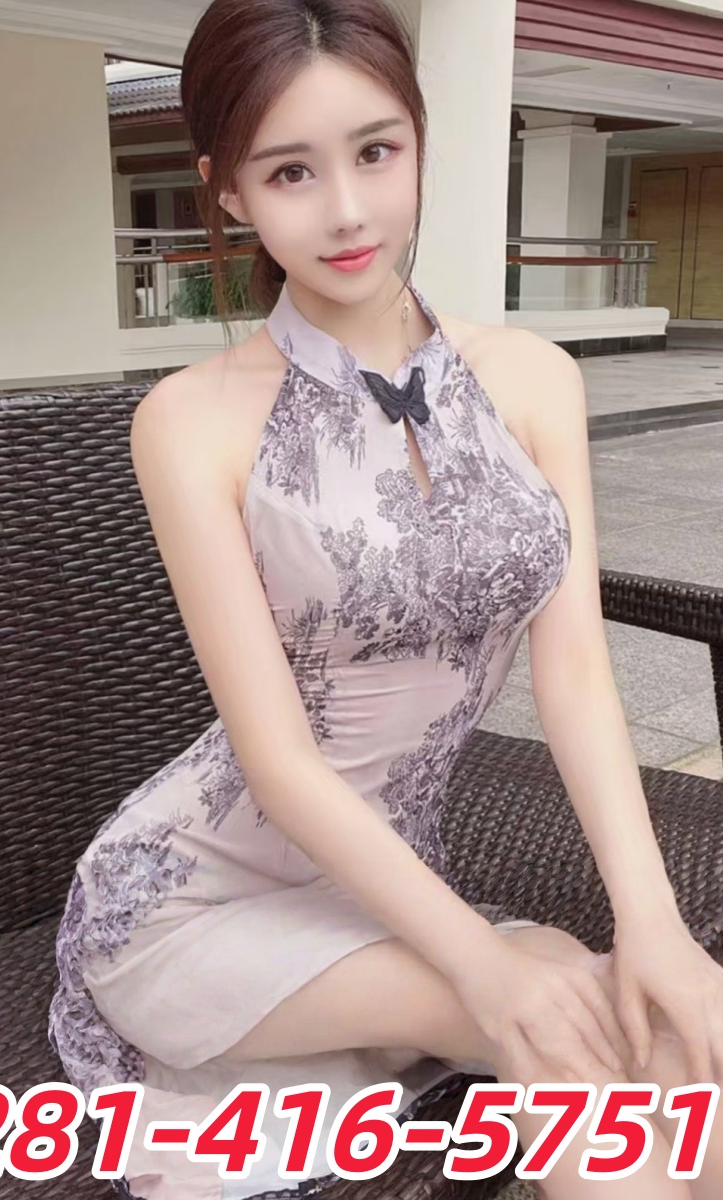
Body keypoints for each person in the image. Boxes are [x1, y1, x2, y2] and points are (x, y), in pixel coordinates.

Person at [48, 2, 723, 1197]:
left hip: (382, 885)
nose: (348, 210)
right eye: (289, 172)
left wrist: (655, 920)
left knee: (664, 1025)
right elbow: (277, 764)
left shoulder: (532, 380)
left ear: (418, 141)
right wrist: (483, 965)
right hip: (188, 899)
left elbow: (575, 678)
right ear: (229, 192)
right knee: (583, 1040)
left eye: (374, 151)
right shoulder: (189, 421)